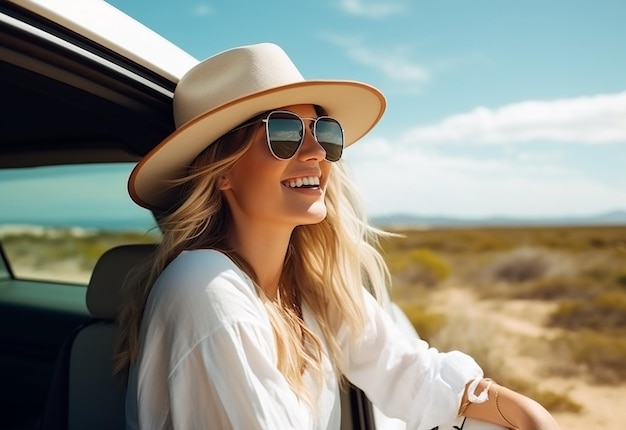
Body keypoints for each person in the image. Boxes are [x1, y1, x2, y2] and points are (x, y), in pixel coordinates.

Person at [114, 42, 561, 430]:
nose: (315, 154)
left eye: (324, 134)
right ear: (223, 171)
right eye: (283, 133)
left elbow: (407, 371)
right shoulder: (205, 287)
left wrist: (526, 412)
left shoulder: (306, 286)